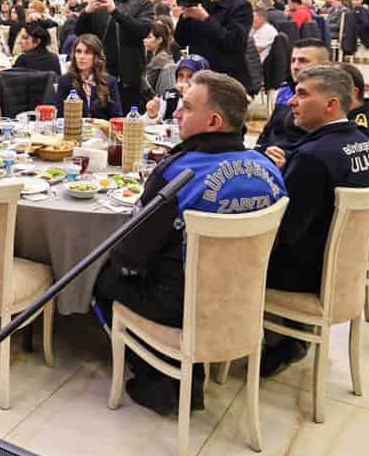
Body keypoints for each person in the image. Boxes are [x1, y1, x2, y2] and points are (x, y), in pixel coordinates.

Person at [93, 70, 286, 414]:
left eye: (187, 106)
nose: (178, 112)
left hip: (181, 304)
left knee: (103, 278)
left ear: (213, 121)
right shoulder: (269, 168)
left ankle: (160, 377)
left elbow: (131, 254)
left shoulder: (179, 175)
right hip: (245, 296)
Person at [260, 65, 369, 376]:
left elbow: (286, 233)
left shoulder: (314, 156)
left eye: (303, 95)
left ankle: (257, 340)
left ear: (331, 104)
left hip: (308, 274)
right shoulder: (365, 143)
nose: (292, 102)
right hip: (345, 267)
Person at [75, 0, 155, 110]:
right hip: (100, 74)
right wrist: (86, 12)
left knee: (126, 119)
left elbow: (142, 30)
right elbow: (80, 33)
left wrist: (114, 11)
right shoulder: (101, 3)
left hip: (129, 78)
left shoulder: (143, 4)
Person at [173, 0, 255, 86]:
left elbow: (233, 43)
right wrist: (184, 18)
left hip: (228, 81)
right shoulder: (200, 4)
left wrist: (205, 19)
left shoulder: (241, 6)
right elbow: (181, 41)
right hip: (199, 79)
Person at [259, 39, 332, 156]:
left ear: (324, 66)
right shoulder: (284, 91)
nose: (295, 66)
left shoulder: (331, 99)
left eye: (303, 61)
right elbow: (268, 132)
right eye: (293, 61)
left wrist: (287, 159)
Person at [42, 33, 122, 119]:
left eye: (87, 52)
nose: (81, 56)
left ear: (96, 56)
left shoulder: (110, 82)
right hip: (73, 126)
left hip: (102, 127)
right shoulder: (65, 81)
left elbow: (117, 116)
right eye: (78, 51)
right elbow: (59, 117)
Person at [146, 54, 208, 121]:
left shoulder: (208, 100)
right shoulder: (170, 97)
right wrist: (152, 116)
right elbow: (145, 122)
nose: (184, 81)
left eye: (191, 76)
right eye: (180, 75)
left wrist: (188, 98)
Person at [143, 19, 179, 98]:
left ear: (159, 40)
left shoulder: (158, 60)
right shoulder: (165, 56)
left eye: (149, 37)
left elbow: (145, 87)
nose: (144, 40)